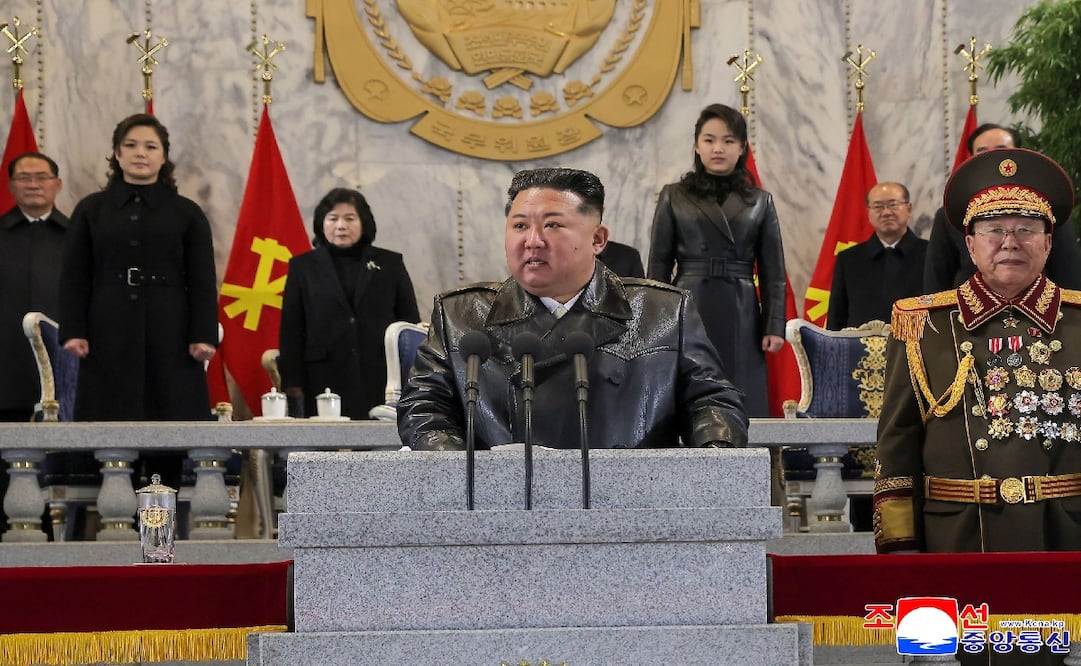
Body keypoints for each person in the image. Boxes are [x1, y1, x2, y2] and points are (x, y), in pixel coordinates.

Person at [397, 167, 747, 451]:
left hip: (630, 500)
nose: (533, 240)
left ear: (597, 239)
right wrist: (460, 469)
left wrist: (715, 450)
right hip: (505, 500)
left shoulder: (663, 311)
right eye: (520, 225)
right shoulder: (461, 315)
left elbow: (712, 400)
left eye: (552, 225)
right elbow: (425, 409)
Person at [874, 148, 1081, 559]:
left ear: (1048, 242)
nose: (1010, 242)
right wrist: (900, 554)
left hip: (1065, 537)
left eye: (1026, 229)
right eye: (994, 230)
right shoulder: (924, 325)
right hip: (958, 539)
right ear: (970, 244)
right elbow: (897, 449)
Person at [59, 113, 218, 421]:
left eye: (150, 146)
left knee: (173, 412)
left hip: (171, 324)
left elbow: (202, 280)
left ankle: (167, 458)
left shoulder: (187, 212)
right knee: (107, 414)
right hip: (107, 323)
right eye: (130, 145)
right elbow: (74, 276)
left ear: (164, 157)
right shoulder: (91, 209)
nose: (140, 153)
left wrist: (203, 334)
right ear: (117, 154)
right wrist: (73, 330)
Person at [647, 103, 787, 417]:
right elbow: (658, 265)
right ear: (697, 146)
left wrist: (774, 325)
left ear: (742, 147)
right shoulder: (674, 195)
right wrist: (656, 321)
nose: (718, 148)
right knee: (688, 386)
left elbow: (773, 272)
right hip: (689, 301)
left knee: (742, 388)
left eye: (728, 140)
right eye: (709, 140)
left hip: (742, 307)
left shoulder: (760, 202)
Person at [278, 187, 420, 419]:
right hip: (322, 377)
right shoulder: (303, 267)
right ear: (322, 223)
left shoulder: (390, 263)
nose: (341, 226)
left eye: (349, 218)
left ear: (364, 222)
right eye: (333, 218)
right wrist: (292, 381)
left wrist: (413, 376)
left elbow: (410, 324)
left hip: (382, 376)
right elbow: (291, 328)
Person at [923, 123, 1081, 292]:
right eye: (982, 152)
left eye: (1025, 229)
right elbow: (937, 278)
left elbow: (1069, 274)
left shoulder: (1048, 211)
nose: (993, 157)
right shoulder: (951, 214)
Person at [0, 152, 68, 421]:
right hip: (6, 361)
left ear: (57, 184)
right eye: (23, 178)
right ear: (10, 186)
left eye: (41, 177)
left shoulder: (77, 235)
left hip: (62, 356)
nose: (33, 184)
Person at [826, 182, 927, 330]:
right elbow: (836, 319)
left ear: (909, 209)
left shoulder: (930, 254)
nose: (886, 212)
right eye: (878, 207)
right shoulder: (848, 259)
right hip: (860, 344)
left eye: (893, 205)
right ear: (868, 213)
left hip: (917, 343)